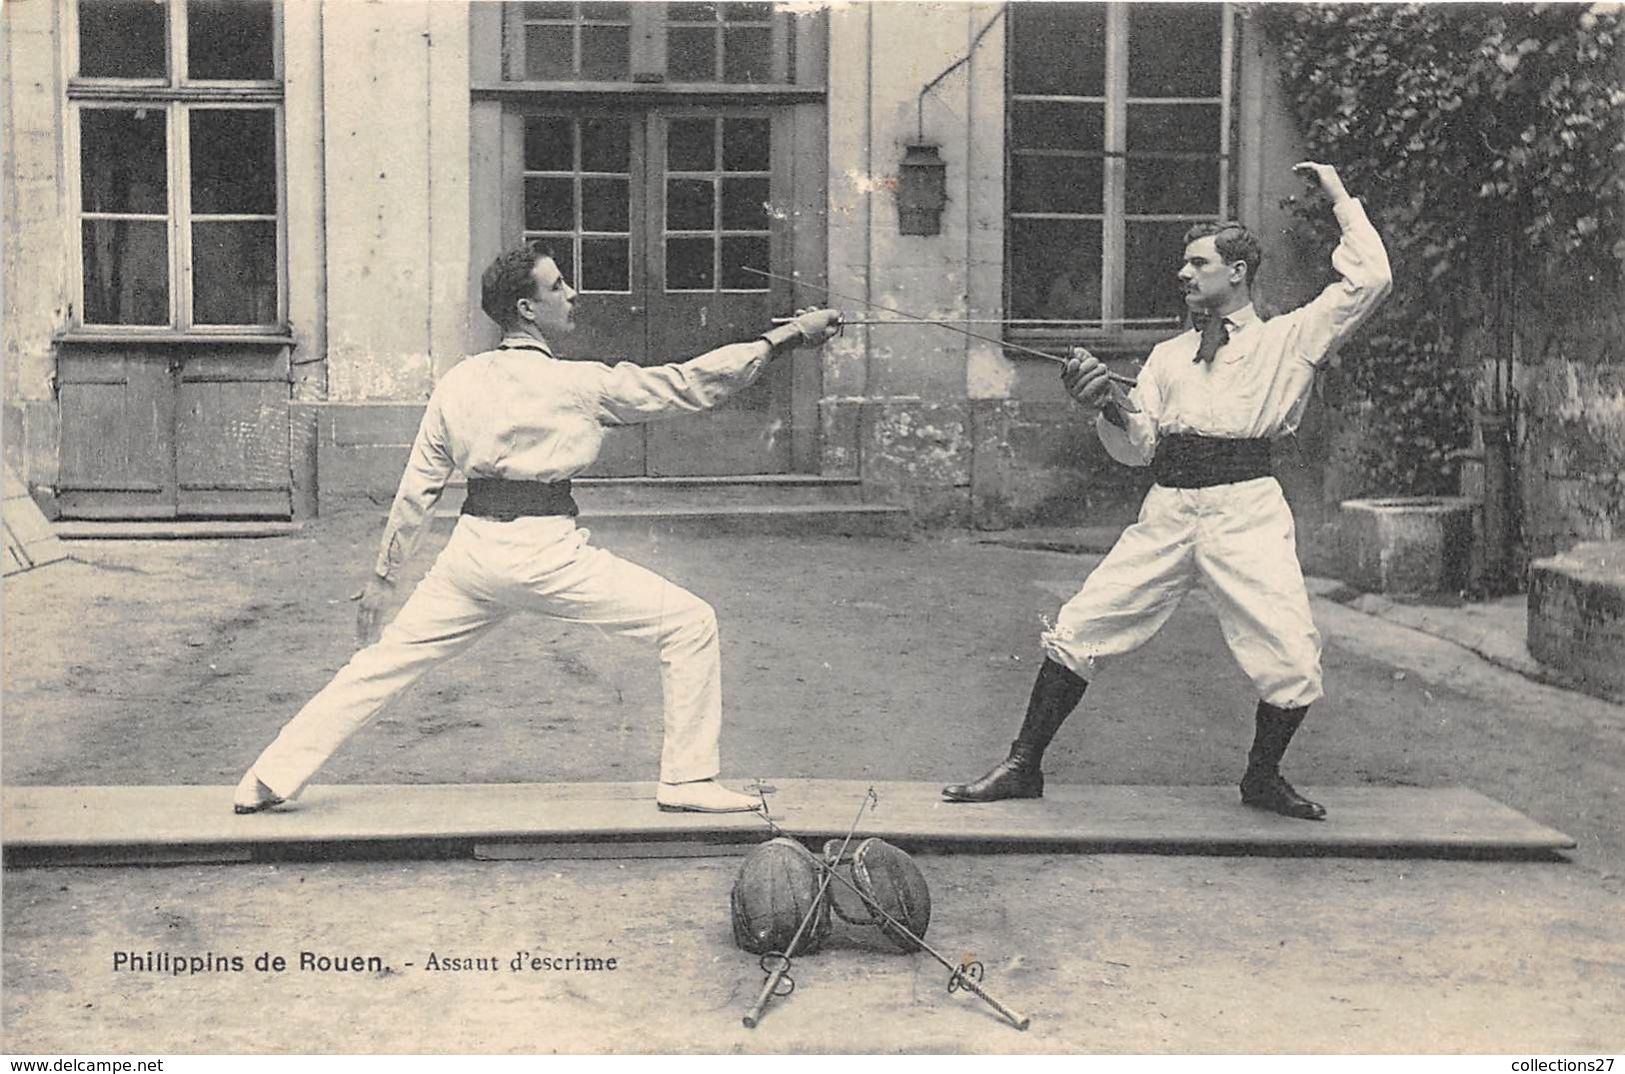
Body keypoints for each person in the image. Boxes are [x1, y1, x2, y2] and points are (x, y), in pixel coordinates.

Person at [233, 242, 841, 816]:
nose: (572, 294)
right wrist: (785, 337)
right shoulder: (578, 383)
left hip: (470, 557)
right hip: (547, 553)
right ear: (527, 308)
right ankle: (686, 779)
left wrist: (382, 579)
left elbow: (418, 487)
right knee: (690, 624)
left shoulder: (460, 381)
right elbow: (688, 384)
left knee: (383, 662)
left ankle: (266, 778)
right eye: (558, 286)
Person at [943, 162, 1391, 820]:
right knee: (1078, 627)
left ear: (1236, 272)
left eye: (1196, 263)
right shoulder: (1166, 357)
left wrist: (1337, 196)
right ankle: (1022, 765)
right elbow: (1141, 445)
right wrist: (1103, 403)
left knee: (1291, 656)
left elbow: (1371, 279)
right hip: (1170, 511)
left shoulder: (1290, 339)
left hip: (1245, 513)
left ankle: (1260, 778)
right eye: (1183, 265)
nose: (1183, 274)